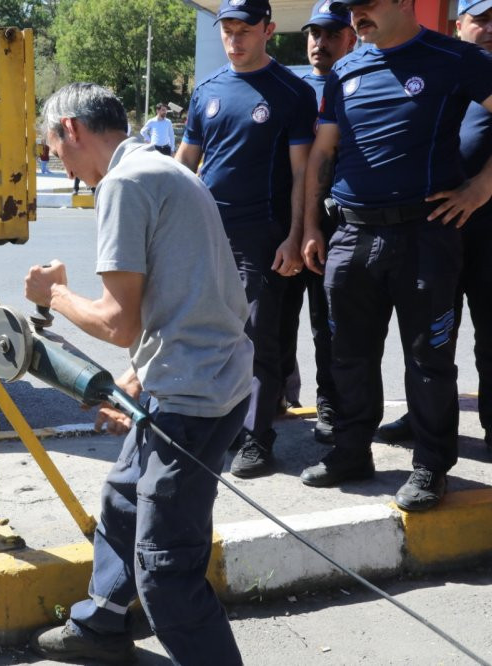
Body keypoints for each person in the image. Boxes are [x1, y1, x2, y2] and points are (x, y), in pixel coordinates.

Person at [25, 82, 252, 665]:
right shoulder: (164, 169)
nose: (58, 164)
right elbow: (185, 297)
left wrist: (55, 293)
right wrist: (135, 380)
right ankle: (100, 624)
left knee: (166, 574)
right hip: (202, 378)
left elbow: (118, 321)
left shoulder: (124, 184)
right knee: (124, 497)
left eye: (52, 149)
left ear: (71, 130)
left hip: (191, 397)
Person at [299, 0, 492, 510]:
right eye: (352, 7)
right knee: (347, 355)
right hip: (351, 235)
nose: (357, 16)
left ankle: (430, 466)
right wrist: (310, 225)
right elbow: (323, 152)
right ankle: (351, 451)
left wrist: (483, 186)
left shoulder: (453, 58)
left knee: (428, 360)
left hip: (424, 236)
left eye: (368, 4)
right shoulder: (347, 67)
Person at [177, 0, 318, 478]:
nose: (234, 41)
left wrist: (296, 236)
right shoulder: (208, 90)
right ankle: (217, 426)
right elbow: (185, 164)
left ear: (269, 31)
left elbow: (303, 174)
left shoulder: (292, 92)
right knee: (207, 331)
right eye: (227, 31)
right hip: (207, 232)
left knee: (257, 338)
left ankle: (257, 439)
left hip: (263, 236)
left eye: (244, 31)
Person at [373, 0, 492, 470]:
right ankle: (422, 419)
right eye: (481, 19)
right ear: (459, 25)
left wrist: (482, 188)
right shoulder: (444, 66)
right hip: (436, 226)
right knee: (429, 336)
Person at [277, 0, 357, 443]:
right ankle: (277, 395)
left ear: (350, 37)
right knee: (277, 317)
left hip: (337, 224)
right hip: (288, 222)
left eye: (330, 34)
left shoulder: (359, 82)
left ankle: (331, 404)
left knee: (328, 324)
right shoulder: (290, 86)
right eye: (314, 33)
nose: (320, 43)